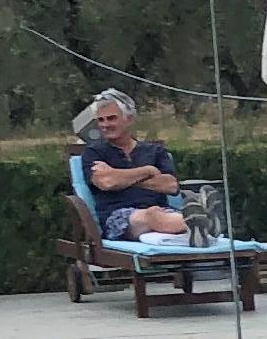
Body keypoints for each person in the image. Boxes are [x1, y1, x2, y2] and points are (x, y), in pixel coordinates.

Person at [76, 93, 192, 245]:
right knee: (152, 215)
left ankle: (195, 225)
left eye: (111, 118)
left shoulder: (154, 151)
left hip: (163, 211)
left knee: (158, 213)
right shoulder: (94, 152)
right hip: (118, 218)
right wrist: (148, 171)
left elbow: (170, 185)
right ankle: (200, 224)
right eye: (100, 120)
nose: (105, 125)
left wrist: (119, 176)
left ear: (129, 119)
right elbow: (106, 182)